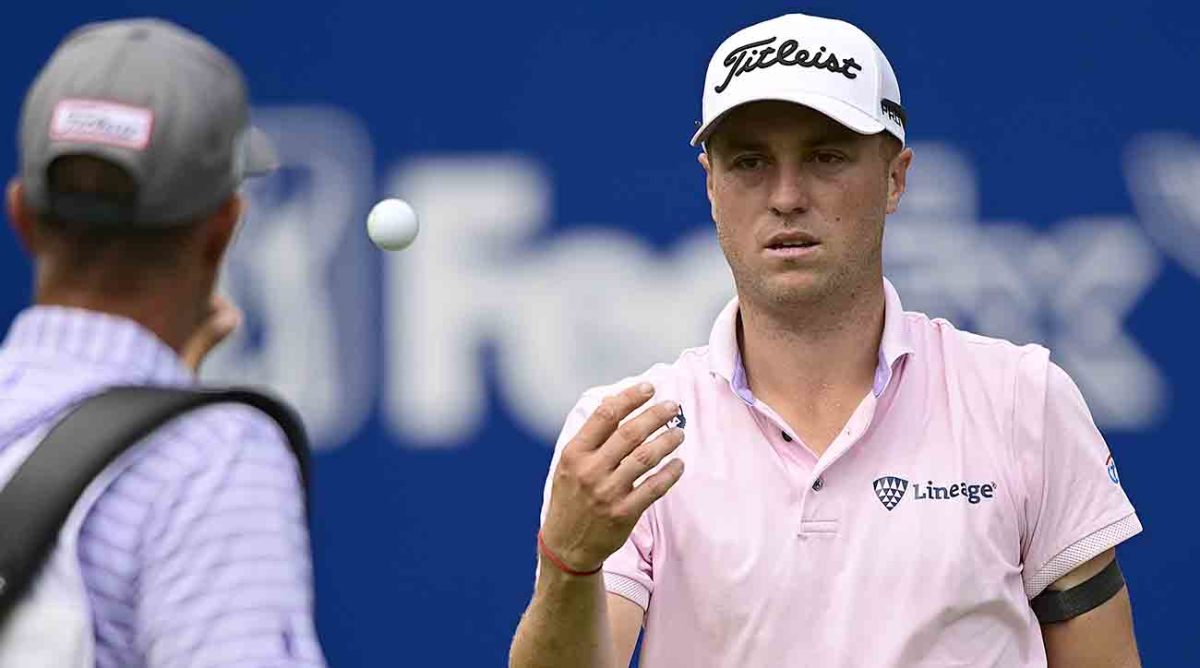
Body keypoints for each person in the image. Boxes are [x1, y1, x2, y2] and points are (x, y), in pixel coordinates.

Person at [510, 12, 1141, 667]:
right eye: (750, 161)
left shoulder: (1021, 400)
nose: (786, 196)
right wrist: (569, 564)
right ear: (711, 185)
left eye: (826, 156)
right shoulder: (629, 431)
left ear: (895, 177)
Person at [0, 19, 326, 667]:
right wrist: (173, 423)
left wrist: (156, 406)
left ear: (21, 217)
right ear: (223, 229)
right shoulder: (215, 459)